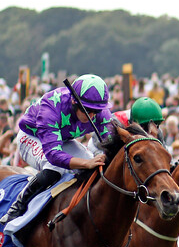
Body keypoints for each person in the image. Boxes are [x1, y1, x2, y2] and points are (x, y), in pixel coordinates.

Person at [1, 74, 110, 225]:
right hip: (32, 137)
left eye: (96, 111)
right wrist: (86, 163)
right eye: (87, 110)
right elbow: (54, 155)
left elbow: (111, 143)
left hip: (63, 139)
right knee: (56, 168)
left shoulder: (101, 111)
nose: (92, 116)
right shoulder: (51, 106)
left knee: (94, 168)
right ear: (74, 101)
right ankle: (19, 205)